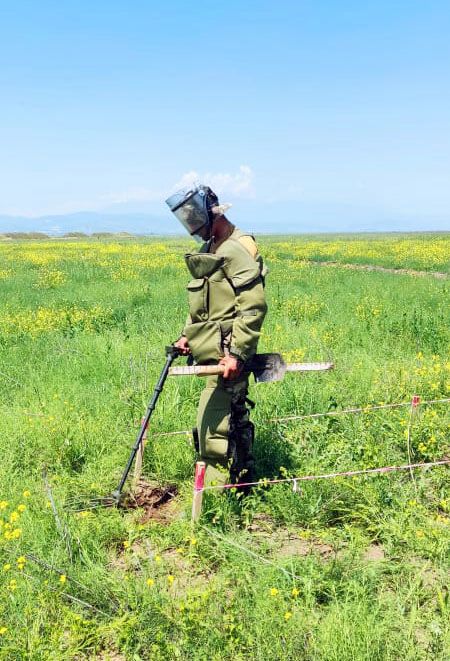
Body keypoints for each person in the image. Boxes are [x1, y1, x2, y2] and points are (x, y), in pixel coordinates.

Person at [166, 185, 268, 486]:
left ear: (213, 214)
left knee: (216, 420)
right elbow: (201, 304)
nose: (193, 229)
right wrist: (186, 336)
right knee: (228, 415)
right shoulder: (208, 250)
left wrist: (237, 354)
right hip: (210, 347)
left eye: (196, 220)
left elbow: (253, 306)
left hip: (228, 351)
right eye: (188, 222)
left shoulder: (234, 251)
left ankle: (219, 488)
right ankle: (240, 482)